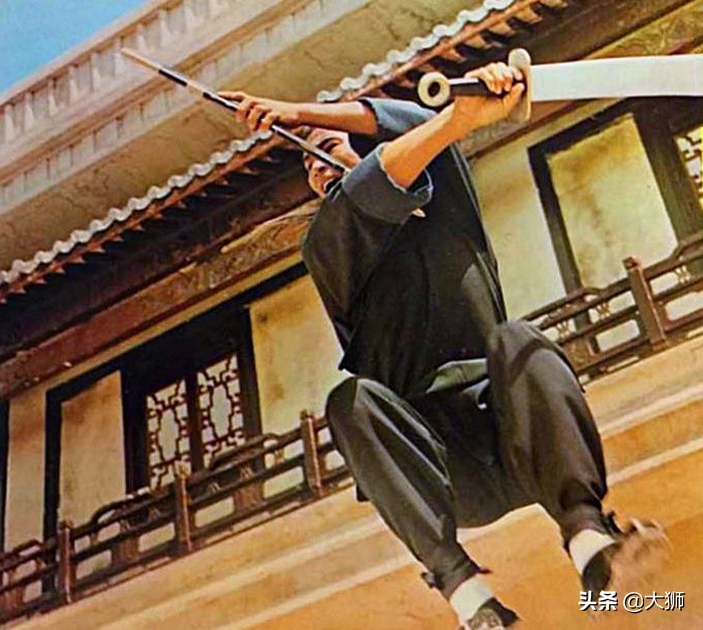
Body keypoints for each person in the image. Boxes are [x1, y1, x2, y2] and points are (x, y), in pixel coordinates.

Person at [222, 61, 669, 629]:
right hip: (441, 471)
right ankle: (470, 599)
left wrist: (309, 113)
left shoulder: (448, 197)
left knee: (519, 339)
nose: (316, 165)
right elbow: (372, 188)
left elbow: (416, 129)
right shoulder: (328, 242)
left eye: (327, 147)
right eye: (309, 163)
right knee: (350, 401)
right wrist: (310, 118)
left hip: (520, 439)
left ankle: (588, 542)